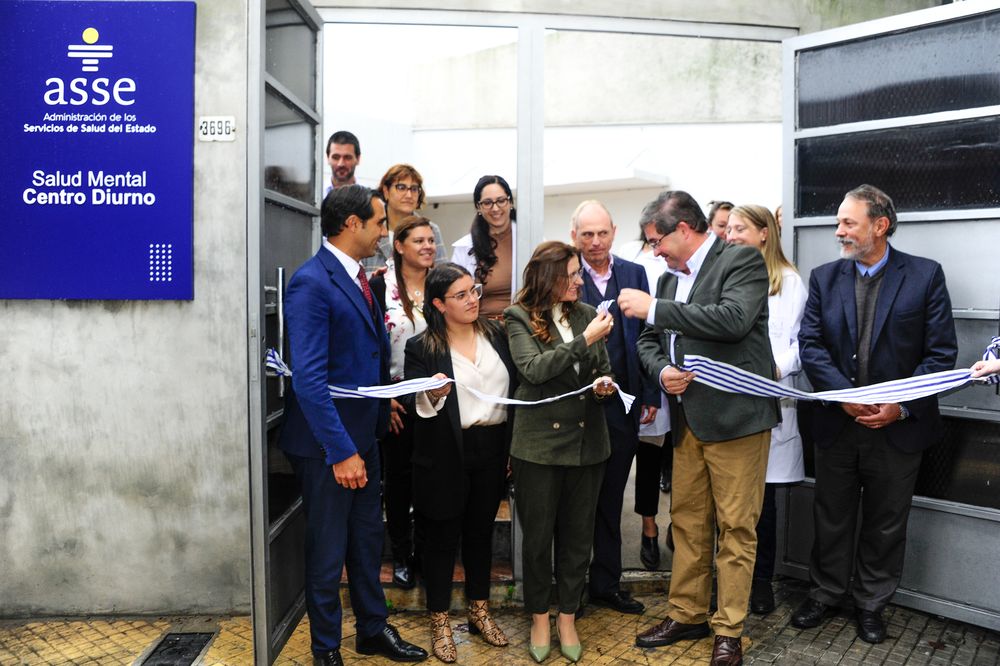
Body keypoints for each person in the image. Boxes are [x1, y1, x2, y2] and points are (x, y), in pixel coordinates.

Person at [619, 190, 778, 666]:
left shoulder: (741, 262)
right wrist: (661, 371)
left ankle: (727, 629)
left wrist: (654, 310)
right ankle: (686, 613)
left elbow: (732, 321)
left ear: (683, 229)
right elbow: (650, 342)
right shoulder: (669, 279)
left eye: (656, 241)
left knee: (735, 529)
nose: (655, 251)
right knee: (687, 522)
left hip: (738, 421)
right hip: (688, 420)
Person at [793, 184, 957, 644]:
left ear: (880, 226)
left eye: (849, 222)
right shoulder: (826, 277)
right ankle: (824, 593)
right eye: (839, 222)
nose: (838, 231)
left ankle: (870, 603)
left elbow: (940, 355)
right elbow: (811, 345)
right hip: (838, 423)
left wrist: (900, 407)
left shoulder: (924, 276)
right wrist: (843, 396)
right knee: (831, 515)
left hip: (897, 429)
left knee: (886, 522)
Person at [279, 185, 427, 665]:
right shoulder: (311, 282)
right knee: (327, 552)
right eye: (379, 222)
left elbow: (368, 355)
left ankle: (371, 630)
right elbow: (309, 380)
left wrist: (386, 408)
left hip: (365, 437)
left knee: (366, 545)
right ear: (351, 225)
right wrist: (341, 452)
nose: (385, 231)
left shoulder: (363, 278)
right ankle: (325, 649)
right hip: (330, 447)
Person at [504, 241, 616, 664]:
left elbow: (602, 369)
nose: (579, 281)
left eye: (579, 274)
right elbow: (533, 370)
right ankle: (538, 617)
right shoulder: (518, 318)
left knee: (576, 540)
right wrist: (584, 341)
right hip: (539, 448)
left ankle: (567, 617)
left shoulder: (587, 315)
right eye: (570, 274)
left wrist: (606, 384)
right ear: (546, 276)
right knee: (537, 542)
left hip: (588, 446)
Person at [404, 263, 517, 663]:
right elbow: (413, 404)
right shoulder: (423, 347)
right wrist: (433, 396)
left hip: (492, 449)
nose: (473, 300)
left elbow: (514, 388)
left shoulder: (496, 334)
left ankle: (479, 613)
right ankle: (439, 622)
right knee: (441, 541)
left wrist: (509, 450)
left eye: (475, 291)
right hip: (445, 454)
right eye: (462, 295)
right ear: (439, 303)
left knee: (480, 536)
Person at [569, 200, 659, 614]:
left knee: (610, 498)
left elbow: (646, 337)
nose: (595, 242)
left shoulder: (634, 272)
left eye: (602, 233)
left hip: (623, 407)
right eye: (586, 234)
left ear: (614, 231)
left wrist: (652, 395)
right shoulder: (565, 276)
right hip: (577, 411)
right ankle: (570, 588)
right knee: (576, 501)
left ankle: (606, 583)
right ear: (575, 237)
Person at [725, 204, 808, 614]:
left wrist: (777, 367)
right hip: (731, 404)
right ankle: (724, 582)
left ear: (764, 233)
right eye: (729, 229)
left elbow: (801, 341)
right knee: (730, 502)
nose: (732, 234)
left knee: (763, 505)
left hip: (773, 399)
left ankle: (760, 582)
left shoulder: (789, 282)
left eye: (741, 228)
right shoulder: (725, 276)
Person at [368, 215, 437, 590]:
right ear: (399, 246)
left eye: (430, 240)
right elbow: (371, 345)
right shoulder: (380, 286)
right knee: (398, 481)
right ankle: (401, 555)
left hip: (436, 399)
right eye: (419, 241)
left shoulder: (443, 282)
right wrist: (384, 397)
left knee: (432, 480)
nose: (428, 246)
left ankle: (427, 554)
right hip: (395, 400)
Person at [618, 229, 674, 569]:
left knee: (681, 461)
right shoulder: (632, 258)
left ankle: (677, 527)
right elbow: (638, 332)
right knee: (650, 459)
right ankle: (649, 528)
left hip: (683, 369)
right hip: (649, 367)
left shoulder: (689, 267)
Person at [363, 164, 447, 274]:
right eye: (401, 187)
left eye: (414, 189)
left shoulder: (431, 229)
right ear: (386, 191)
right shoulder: (370, 226)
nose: (409, 195)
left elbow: (444, 277)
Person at [452, 175, 516, 318]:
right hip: (482, 329)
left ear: (510, 202)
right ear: (478, 207)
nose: (495, 208)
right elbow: (454, 295)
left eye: (501, 201)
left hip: (525, 327)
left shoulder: (531, 239)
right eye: (487, 203)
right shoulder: (464, 248)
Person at [325, 130, 361, 194]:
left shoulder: (370, 199)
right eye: (335, 157)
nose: (341, 164)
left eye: (347, 157)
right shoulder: (315, 195)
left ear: (358, 159)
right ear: (328, 158)